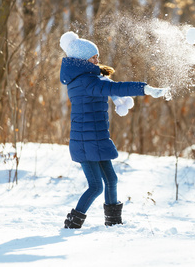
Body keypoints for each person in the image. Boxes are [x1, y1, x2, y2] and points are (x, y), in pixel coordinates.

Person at [59, 31, 168, 229]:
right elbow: (116, 88)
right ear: (84, 60)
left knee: (111, 179)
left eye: (97, 56)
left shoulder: (90, 79)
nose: (97, 60)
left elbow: (111, 86)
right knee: (95, 186)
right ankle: (72, 224)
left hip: (96, 138)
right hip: (85, 141)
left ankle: (113, 222)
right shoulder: (86, 82)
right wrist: (145, 89)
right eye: (94, 57)